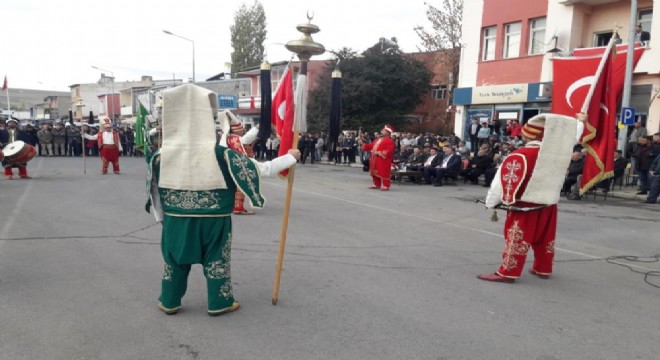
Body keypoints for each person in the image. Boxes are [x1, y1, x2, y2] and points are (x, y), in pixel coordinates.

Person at [145, 84, 300, 316]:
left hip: (176, 219)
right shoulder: (222, 153)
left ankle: (169, 301)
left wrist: (161, 217)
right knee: (216, 259)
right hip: (214, 219)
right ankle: (219, 302)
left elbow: (153, 190)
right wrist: (290, 157)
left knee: (175, 260)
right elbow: (260, 170)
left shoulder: (160, 156)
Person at [477, 113, 579, 283]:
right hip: (549, 203)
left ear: (528, 135)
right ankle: (543, 268)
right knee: (545, 238)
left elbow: (501, 183)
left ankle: (508, 272)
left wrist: (492, 203)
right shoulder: (557, 155)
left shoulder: (520, 154)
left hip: (524, 205)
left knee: (517, 238)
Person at [222, 110, 260, 215]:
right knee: (240, 187)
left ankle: (234, 205)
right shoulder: (235, 139)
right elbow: (246, 139)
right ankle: (238, 207)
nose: (243, 130)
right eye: (241, 128)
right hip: (237, 165)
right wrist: (256, 128)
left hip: (229, 164)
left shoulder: (228, 138)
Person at [359, 125, 395, 191]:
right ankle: (376, 184)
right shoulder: (377, 140)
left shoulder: (389, 141)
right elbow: (370, 146)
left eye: (383, 131)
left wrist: (378, 153)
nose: (381, 131)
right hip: (374, 159)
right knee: (374, 172)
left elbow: (389, 151)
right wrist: (362, 144)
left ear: (387, 133)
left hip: (382, 159)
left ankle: (386, 185)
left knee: (383, 172)